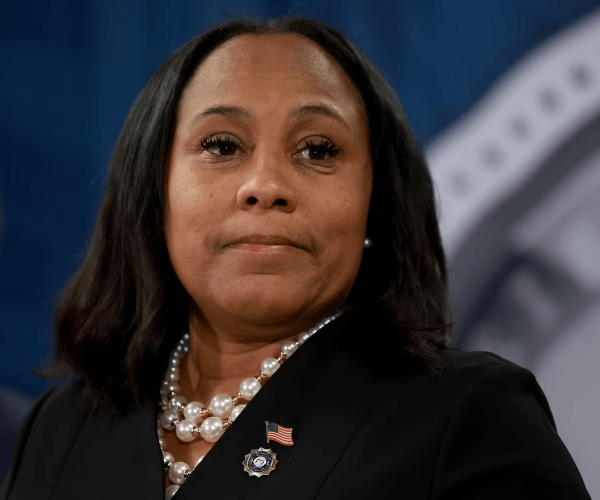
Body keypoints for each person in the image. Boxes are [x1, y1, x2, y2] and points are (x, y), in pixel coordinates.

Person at [0, 16, 591, 500]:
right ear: (154, 196)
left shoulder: (469, 416)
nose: (265, 185)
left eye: (317, 150)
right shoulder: (64, 426)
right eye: (222, 145)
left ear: (376, 204)